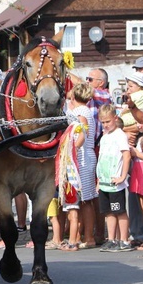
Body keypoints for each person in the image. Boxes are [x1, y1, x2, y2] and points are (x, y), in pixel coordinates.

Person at [59, 84, 96, 251]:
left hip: (81, 157)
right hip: (81, 155)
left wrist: (72, 148)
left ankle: (88, 237)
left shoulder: (81, 113)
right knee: (82, 198)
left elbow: (82, 132)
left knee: (85, 198)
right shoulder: (81, 110)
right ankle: (81, 235)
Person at [97, 104, 134, 252]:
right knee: (108, 212)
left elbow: (126, 155)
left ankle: (124, 240)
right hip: (105, 181)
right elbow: (101, 157)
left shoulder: (119, 135)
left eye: (108, 121)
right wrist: (99, 179)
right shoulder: (105, 136)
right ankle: (111, 239)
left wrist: (122, 176)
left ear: (115, 118)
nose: (105, 125)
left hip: (116, 182)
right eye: (103, 122)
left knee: (119, 211)